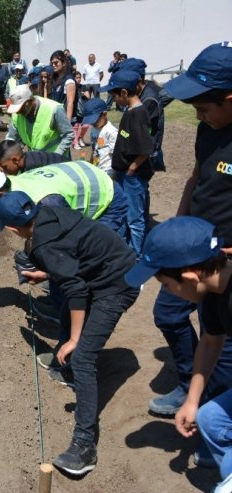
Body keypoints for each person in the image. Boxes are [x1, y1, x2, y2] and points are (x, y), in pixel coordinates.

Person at [0, 191, 138, 476]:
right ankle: (70, 368)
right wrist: (49, 274)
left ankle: (85, 446)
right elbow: (75, 255)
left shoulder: (44, 245)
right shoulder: (51, 211)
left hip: (118, 285)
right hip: (115, 265)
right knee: (66, 315)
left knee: (84, 357)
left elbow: (75, 289)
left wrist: (74, 340)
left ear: (11, 228)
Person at [145, 42, 232, 427]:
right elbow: (197, 178)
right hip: (192, 249)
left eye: (204, 108)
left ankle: (213, 424)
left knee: (219, 340)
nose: (199, 115)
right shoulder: (207, 130)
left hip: (221, 259)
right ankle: (194, 390)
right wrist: (178, 226)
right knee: (170, 312)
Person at [124, 217, 232, 491]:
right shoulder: (212, 291)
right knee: (210, 419)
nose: (169, 293)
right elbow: (210, 342)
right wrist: (192, 400)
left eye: (167, 285)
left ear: (189, 276)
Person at [0, 164, 127, 299]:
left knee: (90, 258)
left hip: (105, 196)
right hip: (79, 179)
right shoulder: (3, 198)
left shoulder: (46, 203)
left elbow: (69, 246)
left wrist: (50, 273)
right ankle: (62, 303)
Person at [102, 69, 154, 256]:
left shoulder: (138, 114)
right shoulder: (130, 111)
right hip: (124, 173)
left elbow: (146, 148)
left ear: (124, 93)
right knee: (124, 212)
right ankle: (124, 249)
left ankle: (136, 255)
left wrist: (132, 168)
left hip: (133, 176)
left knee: (134, 218)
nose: (114, 99)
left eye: (115, 95)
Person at [4, 84, 73, 156]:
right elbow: (12, 140)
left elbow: (68, 134)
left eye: (21, 108)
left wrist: (57, 156)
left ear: (30, 101)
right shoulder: (17, 115)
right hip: (35, 160)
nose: (18, 112)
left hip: (56, 159)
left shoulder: (54, 109)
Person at [81, 98, 117, 177]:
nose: (93, 123)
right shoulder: (93, 129)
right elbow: (94, 149)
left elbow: (115, 155)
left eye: (95, 120)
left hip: (108, 170)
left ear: (104, 114)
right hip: (97, 167)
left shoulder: (111, 132)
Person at [0, 139, 64, 176]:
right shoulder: (27, 157)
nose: (2, 170)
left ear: (15, 160)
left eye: (5, 167)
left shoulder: (33, 169)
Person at [49, 50, 77, 135]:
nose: (53, 65)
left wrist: (67, 125)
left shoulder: (69, 80)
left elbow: (70, 103)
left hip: (64, 120)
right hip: (57, 118)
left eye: (56, 63)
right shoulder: (56, 79)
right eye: (52, 63)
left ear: (64, 63)